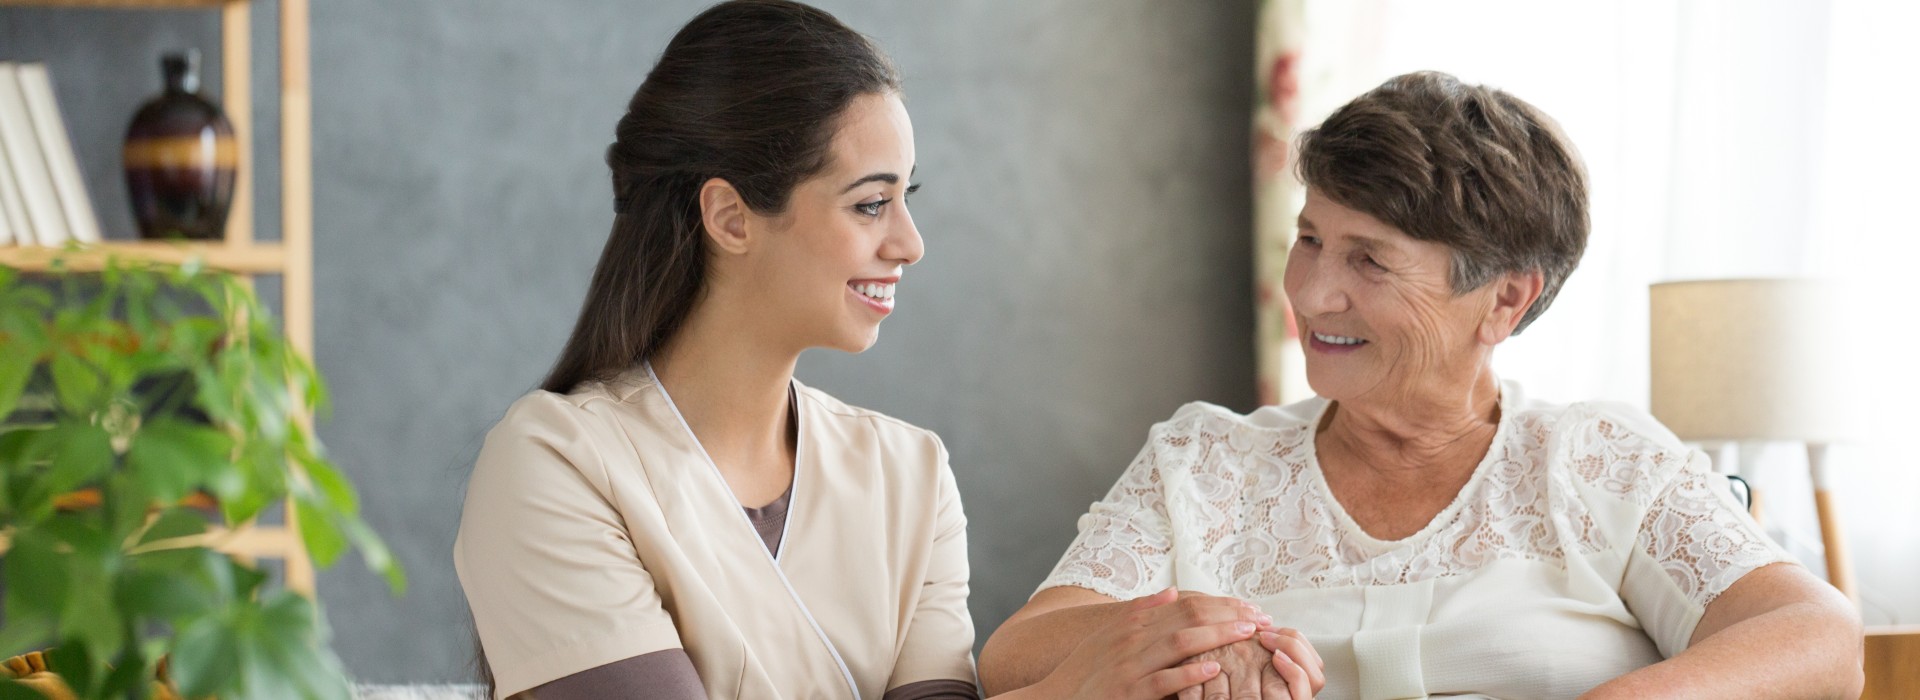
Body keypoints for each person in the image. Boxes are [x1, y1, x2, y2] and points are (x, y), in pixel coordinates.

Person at [454, 2, 1284, 698]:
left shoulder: (909, 476)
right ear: (730, 217)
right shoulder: (554, 465)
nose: (911, 243)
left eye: (905, 199)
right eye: (869, 204)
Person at [980, 71, 1863, 699]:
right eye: (1312, 238)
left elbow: (1818, 638)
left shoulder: (1598, 460)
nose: (1315, 291)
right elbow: (1017, 658)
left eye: (1370, 260)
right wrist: (1202, 641)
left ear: (1504, 299)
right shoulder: (1205, 461)